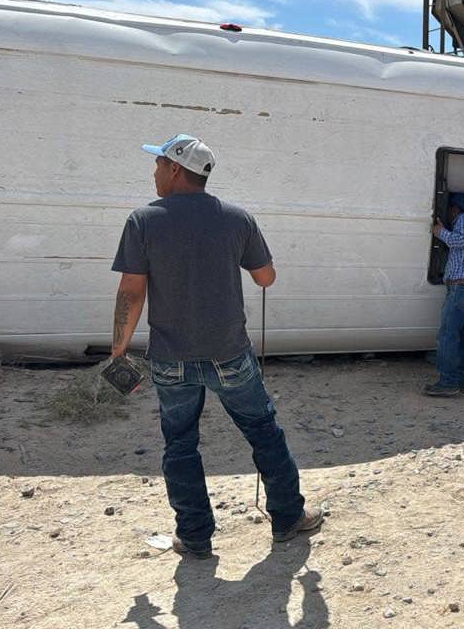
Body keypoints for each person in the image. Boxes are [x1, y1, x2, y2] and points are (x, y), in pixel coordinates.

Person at [110, 134, 321, 559]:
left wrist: (119, 351)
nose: (153, 173)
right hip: (229, 353)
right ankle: (287, 518)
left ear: (174, 169)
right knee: (263, 431)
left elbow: (131, 292)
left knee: (181, 443)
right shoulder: (237, 218)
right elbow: (266, 278)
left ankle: (194, 536)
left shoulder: (143, 221)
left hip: (171, 359)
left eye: (157, 165)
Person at [425, 193, 464, 396]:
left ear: (455, 208)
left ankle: (448, 382)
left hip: (460, 289)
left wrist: (441, 232)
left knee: (447, 336)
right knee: (462, 338)